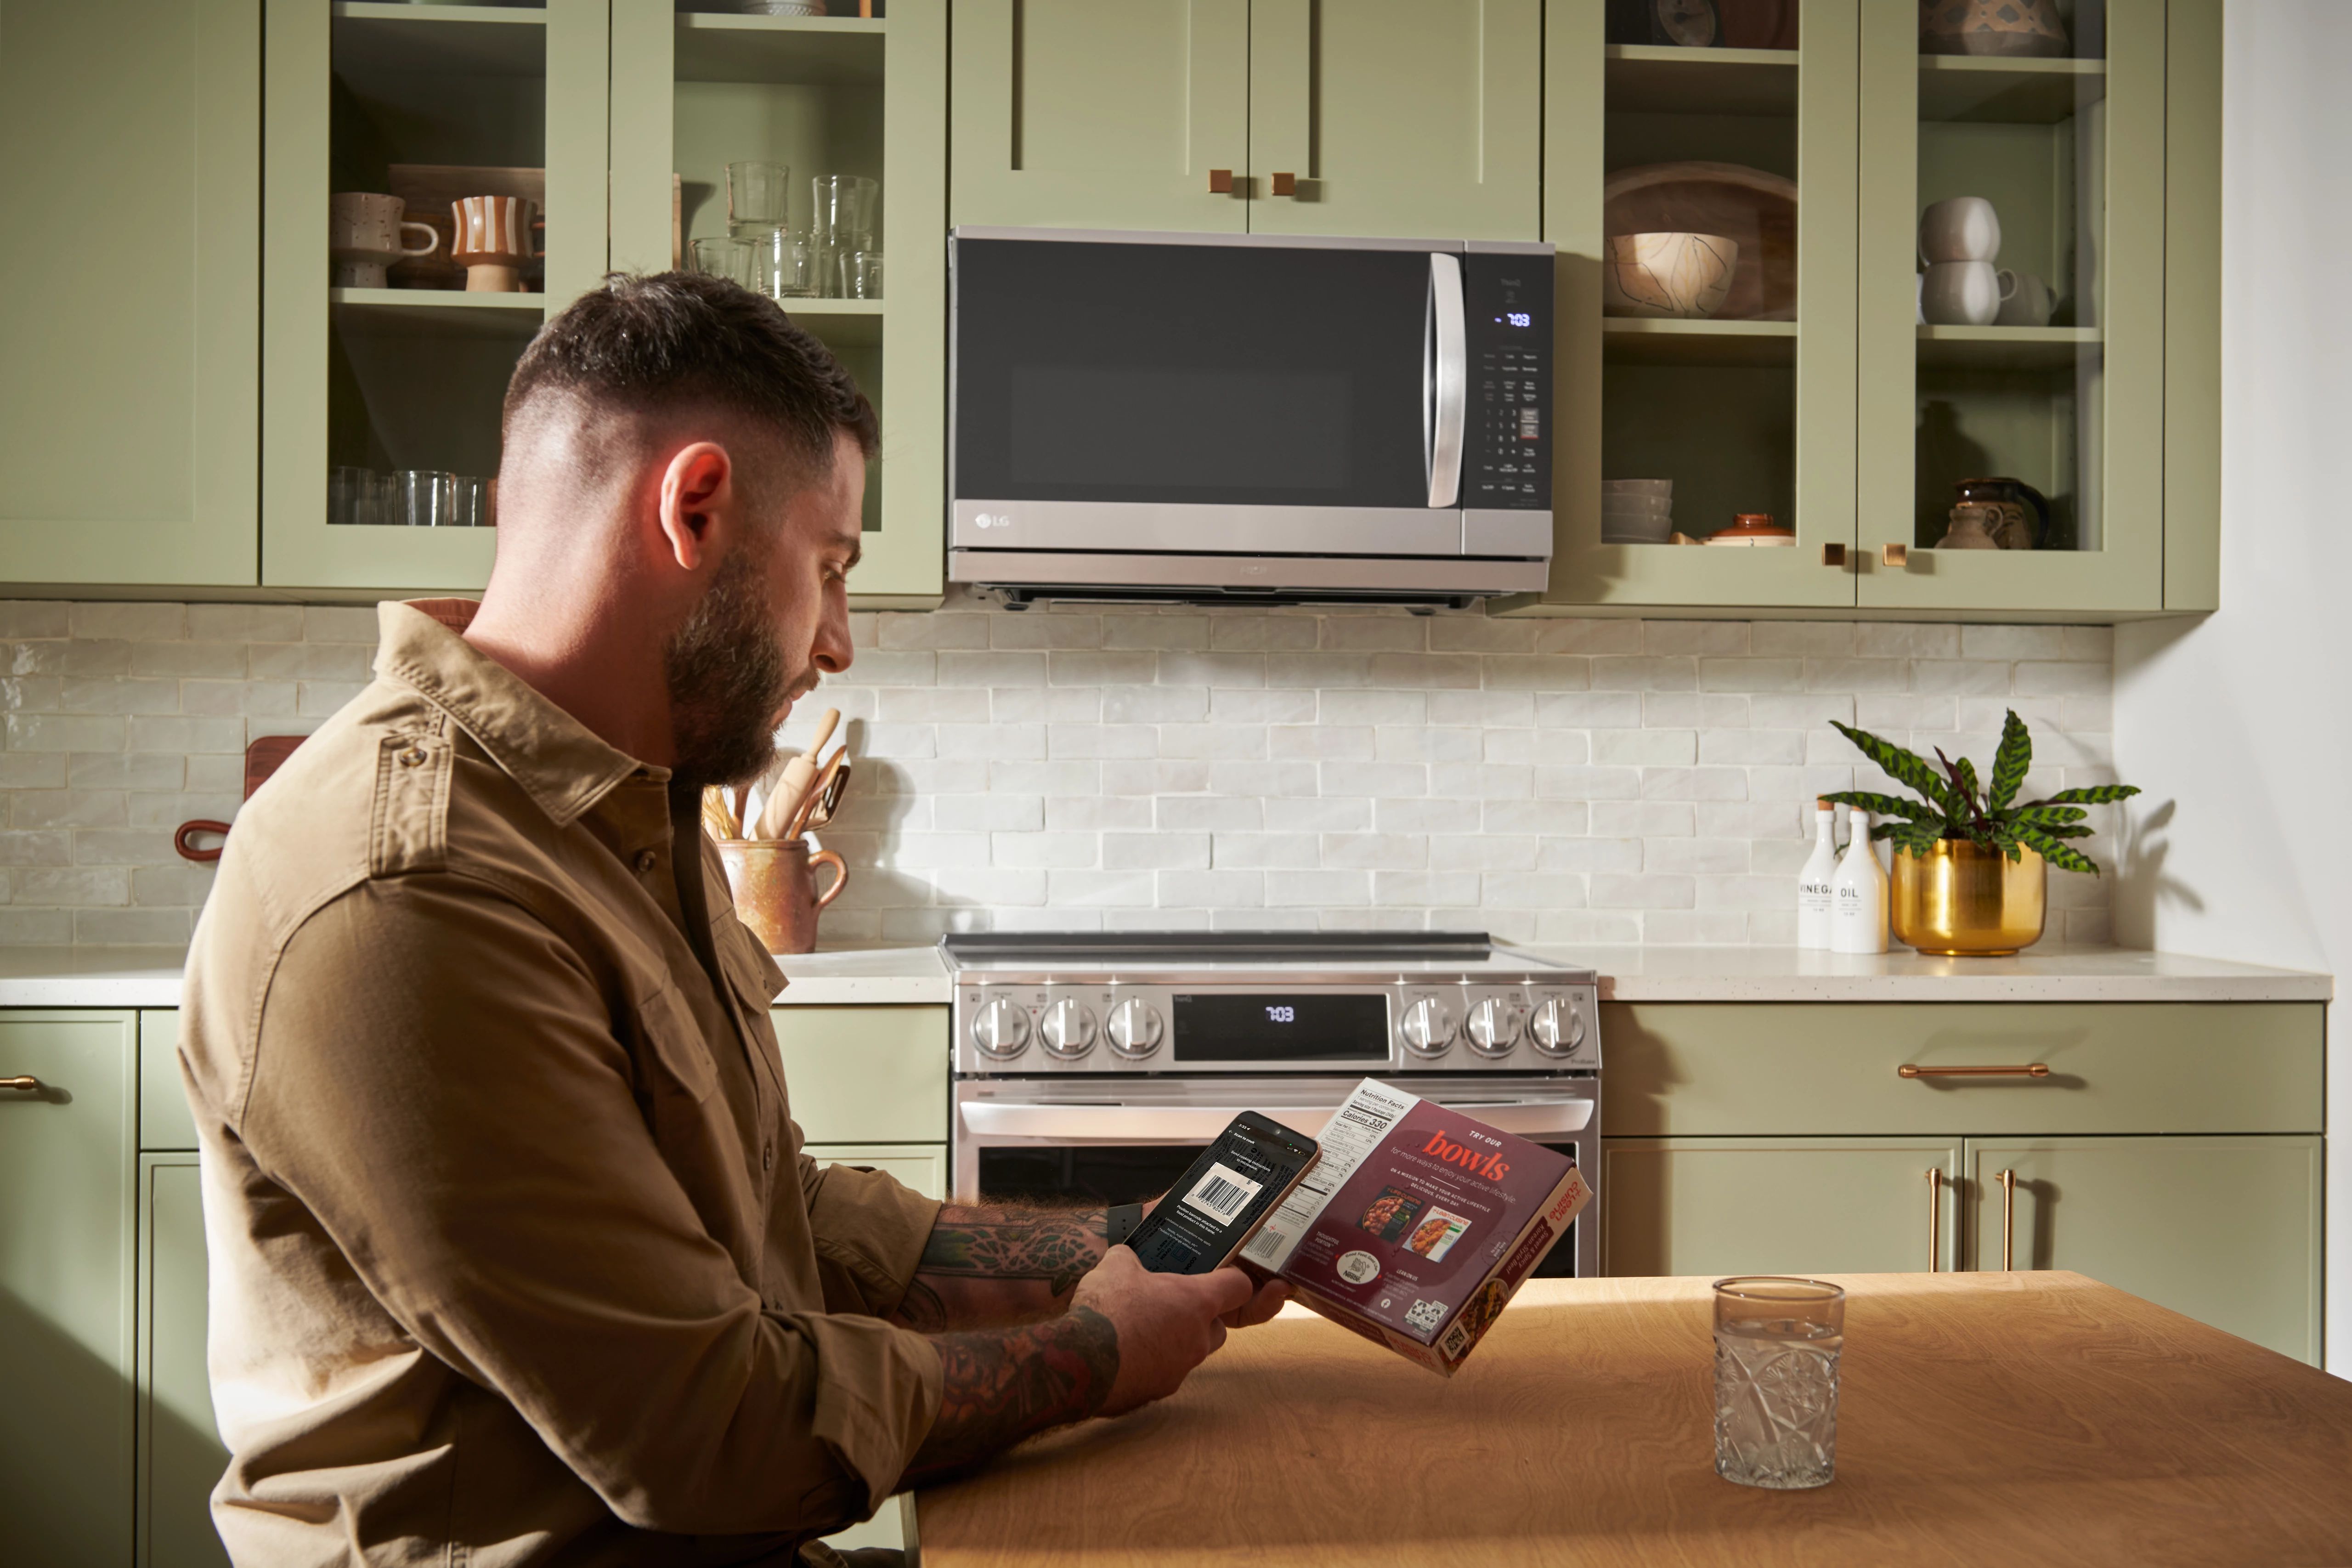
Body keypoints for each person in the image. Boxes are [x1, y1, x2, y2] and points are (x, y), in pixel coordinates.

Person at [179, 272, 1285, 1568]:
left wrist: (1127, 1244)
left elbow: (775, 1217)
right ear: (694, 508)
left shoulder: (622, 800)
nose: (840, 644)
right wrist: (1097, 1354)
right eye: (831, 568)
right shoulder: (410, 891)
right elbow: (707, 1439)